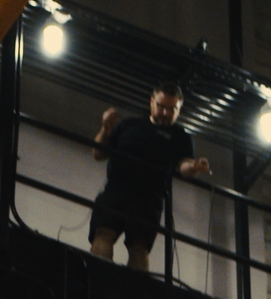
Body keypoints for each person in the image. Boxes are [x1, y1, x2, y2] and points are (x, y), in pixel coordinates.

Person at [89, 82, 212, 269]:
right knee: (103, 236)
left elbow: (183, 167)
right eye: (161, 106)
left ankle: (135, 294)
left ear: (179, 108)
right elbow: (98, 154)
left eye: (172, 109)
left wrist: (195, 167)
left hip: (148, 199)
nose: (165, 113)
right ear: (152, 101)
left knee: (139, 248)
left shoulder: (181, 137)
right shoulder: (130, 125)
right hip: (115, 191)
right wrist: (106, 129)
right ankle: (97, 282)